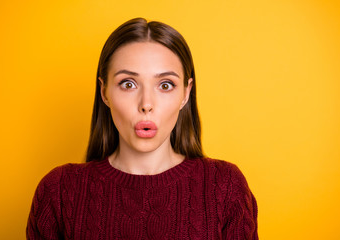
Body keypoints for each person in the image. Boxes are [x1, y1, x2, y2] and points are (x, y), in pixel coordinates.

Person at [27, 17, 258, 239]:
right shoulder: (58, 192)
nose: (146, 104)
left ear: (185, 94)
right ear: (104, 91)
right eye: (128, 84)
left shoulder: (226, 187)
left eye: (165, 85)